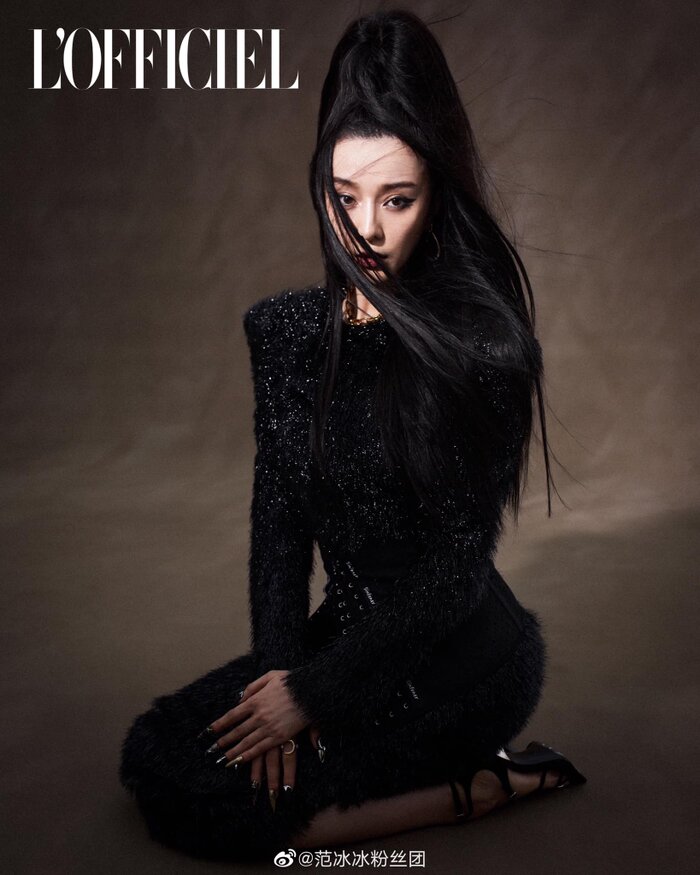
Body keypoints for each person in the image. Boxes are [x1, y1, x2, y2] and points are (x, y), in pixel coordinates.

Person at [119, 9, 586, 862]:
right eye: (345, 197)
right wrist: (280, 676)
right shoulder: (286, 332)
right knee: (156, 755)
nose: (366, 230)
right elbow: (278, 527)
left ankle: (478, 789)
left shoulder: (481, 345)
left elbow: (453, 573)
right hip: (348, 642)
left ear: (436, 192)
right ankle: (451, 782)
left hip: (464, 661)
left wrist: (309, 697)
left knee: (231, 818)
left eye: (397, 199)